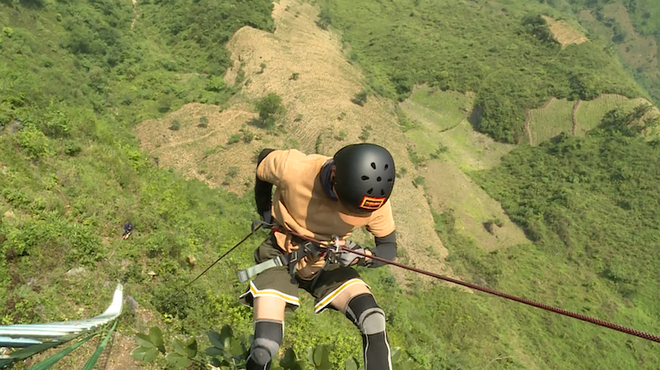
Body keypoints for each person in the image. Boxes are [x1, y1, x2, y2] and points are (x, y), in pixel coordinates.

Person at [239, 143, 398, 370]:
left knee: (373, 320)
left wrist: (361, 256)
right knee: (265, 345)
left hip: (328, 260)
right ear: (333, 175)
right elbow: (264, 160)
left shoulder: (374, 200)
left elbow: (388, 247)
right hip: (281, 253)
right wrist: (264, 210)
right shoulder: (294, 168)